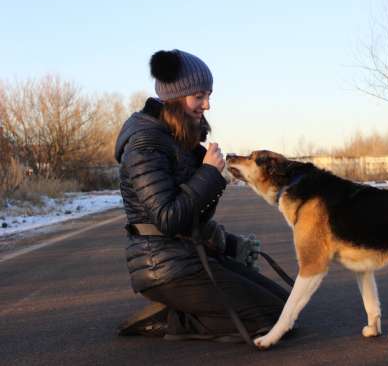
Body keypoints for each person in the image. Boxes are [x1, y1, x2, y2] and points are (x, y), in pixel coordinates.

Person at [114, 49, 288, 340]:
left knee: (285, 307)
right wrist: (208, 173)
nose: (207, 104)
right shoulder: (145, 144)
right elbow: (168, 219)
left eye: (208, 94)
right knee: (269, 320)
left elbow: (195, 216)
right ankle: (173, 319)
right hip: (163, 267)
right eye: (199, 96)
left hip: (190, 256)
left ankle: (194, 307)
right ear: (174, 97)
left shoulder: (177, 140)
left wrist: (230, 244)